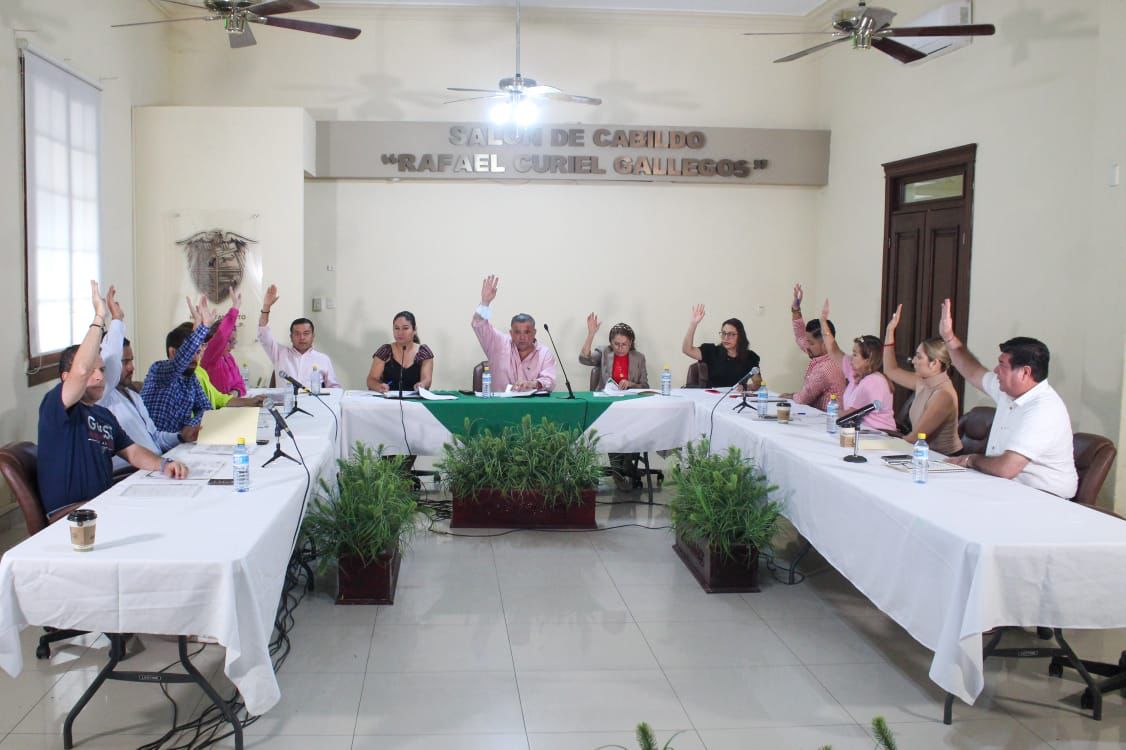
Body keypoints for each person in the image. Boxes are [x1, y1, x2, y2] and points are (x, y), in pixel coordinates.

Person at [38, 281, 189, 520]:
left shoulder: (104, 415)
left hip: (106, 503)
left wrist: (163, 464)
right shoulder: (57, 408)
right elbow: (81, 369)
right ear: (66, 378)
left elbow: (133, 451)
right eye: (91, 371)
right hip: (73, 515)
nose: (99, 376)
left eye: (101, 370)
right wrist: (100, 317)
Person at [939, 299, 1077, 498]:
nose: (996, 371)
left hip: (1044, 498)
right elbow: (972, 371)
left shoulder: (1044, 409)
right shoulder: (1010, 390)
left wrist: (970, 460)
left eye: (1002, 365)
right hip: (1007, 488)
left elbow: (1006, 468)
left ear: (1025, 372)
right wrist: (949, 338)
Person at [99, 287, 200, 456]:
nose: (132, 367)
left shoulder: (133, 396)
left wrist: (181, 436)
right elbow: (110, 359)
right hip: (134, 469)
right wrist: (117, 319)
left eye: (131, 360)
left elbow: (156, 439)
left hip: (159, 461)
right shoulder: (103, 397)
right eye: (124, 362)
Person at [882, 303, 962, 456]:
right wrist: (890, 331)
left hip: (942, 460)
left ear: (934, 363)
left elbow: (915, 438)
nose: (913, 361)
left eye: (919, 357)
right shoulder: (923, 382)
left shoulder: (943, 394)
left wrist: (878, 445)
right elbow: (890, 370)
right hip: (922, 453)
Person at [818, 299, 896, 431]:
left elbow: (850, 414)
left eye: (855, 354)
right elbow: (833, 350)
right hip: (861, 431)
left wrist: (830, 413)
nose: (850, 358)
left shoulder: (874, 381)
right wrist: (823, 321)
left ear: (868, 359)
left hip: (879, 434)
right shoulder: (855, 372)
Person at [141, 296, 215, 433]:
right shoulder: (158, 370)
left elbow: (206, 410)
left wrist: (189, 426)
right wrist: (203, 327)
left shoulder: (191, 379)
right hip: (152, 443)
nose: (195, 357)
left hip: (178, 442)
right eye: (191, 352)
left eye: (198, 352)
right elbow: (179, 363)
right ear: (173, 352)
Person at [472, 275, 556, 392]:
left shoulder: (544, 353)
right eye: (517, 332)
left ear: (534, 333)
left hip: (532, 403)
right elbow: (479, 324)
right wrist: (485, 302)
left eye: (527, 332)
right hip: (500, 403)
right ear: (511, 333)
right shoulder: (497, 343)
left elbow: (550, 381)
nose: (522, 337)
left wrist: (532, 384)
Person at [258, 283, 340, 390]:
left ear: (313, 336)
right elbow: (263, 333)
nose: (301, 337)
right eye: (297, 333)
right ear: (291, 337)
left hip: (313, 401)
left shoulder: (323, 359)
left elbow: (334, 388)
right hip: (286, 400)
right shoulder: (279, 353)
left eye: (306, 333)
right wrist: (266, 307)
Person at [781, 283, 846, 411]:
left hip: (828, 420)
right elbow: (801, 337)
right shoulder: (825, 354)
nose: (807, 346)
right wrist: (796, 309)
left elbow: (802, 399)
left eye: (811, 343)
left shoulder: (826, 368)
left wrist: (789, 396)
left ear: (825, 345)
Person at [681, 305, 762, 389]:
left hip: (736, 396)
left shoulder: (750, 357)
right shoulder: (711, 351)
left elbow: (757, 383)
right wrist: (693, 324)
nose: (726, 338)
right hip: (712, 395)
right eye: (723, 333)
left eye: (731, 334)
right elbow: (687, 350)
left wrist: (745, 387)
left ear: (740, 337)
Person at [367, 311, 435, 392]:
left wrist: (422, 384)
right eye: (396, 328)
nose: (400, 332)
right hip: (387, 398)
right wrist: (378, 386)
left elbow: (427, 379)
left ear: (414, 330)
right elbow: (371, 380)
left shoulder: (423, 352)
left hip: (415, 399)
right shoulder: (385, 351)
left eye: (405, 328)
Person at [579, 314, 649, 391]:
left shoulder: (639, 358)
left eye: (624, 344)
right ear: (611, 342)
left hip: (629, 397)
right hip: (605, 396)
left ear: (630, 343)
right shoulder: (604, 352)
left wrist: (631, 384)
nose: (620, 348)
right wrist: (591, 334)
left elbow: (645, 386)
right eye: (616, 344)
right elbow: (584, 359)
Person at [200, 286, 247, 396]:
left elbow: (241, 385)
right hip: (213, 406)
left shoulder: (229, 357)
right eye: (230, 341)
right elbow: (222, 335)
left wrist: (234, 394)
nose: (233, 346)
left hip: (230, 404)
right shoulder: (209, 354)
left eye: (234, 342)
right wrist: (235, 308)